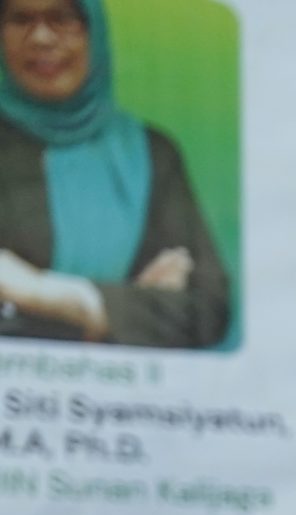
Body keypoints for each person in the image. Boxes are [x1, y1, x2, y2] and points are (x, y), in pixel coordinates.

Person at [0, 0, 231, 347]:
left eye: (63, 19)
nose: (42, 38)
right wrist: (129, 310)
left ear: (96, 32)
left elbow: (206, 309)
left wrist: (44, 294)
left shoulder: (150, 153)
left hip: (124, 400)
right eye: (20, 19)